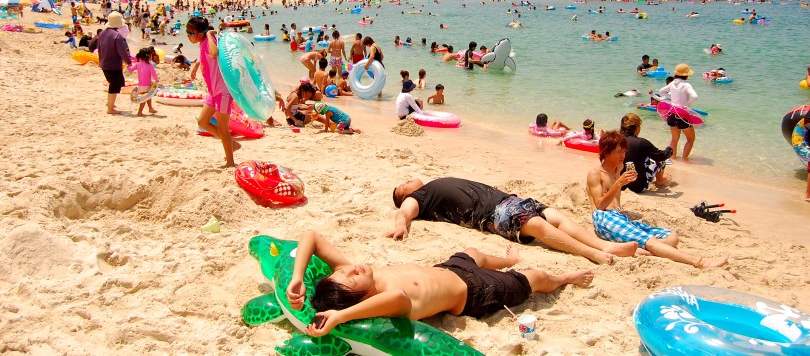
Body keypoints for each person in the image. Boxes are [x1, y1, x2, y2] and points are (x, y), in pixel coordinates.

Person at [286, 230, 593, 337]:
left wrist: (298, 278)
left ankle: (508, 260)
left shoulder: (352, 273)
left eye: (345, 270)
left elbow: (311, 236)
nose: (352, 268)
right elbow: (399, 300)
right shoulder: (388, 301)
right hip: (473, 293)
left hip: (450, 268)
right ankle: (565, 279)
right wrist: (340, 316)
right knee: (537, 278)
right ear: (360, 298)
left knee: (472, 253)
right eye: (352, 277)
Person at [389, 177, 638, 264]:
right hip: (493, 213)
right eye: (404, 183)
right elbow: (405, 212)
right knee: (539, 226)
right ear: (405, 194)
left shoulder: (429, 187)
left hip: (507, 200)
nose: (409, 179)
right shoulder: (420, 197)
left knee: (555, 216)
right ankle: (591, 253)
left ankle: (604, 245)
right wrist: (401, 223)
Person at [586, 131, 727, 268]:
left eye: (624, 151)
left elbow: (618, 190)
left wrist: (628, 181)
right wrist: (619, 184)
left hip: (619, 217)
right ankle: (699, 262)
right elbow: (599, 205)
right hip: (604, 217)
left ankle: (644, 251)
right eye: (618, 151)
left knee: (672, 237)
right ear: (606, 151)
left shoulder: (619, 168)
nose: (623, 155)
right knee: (651, 241)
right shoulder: (596, 173)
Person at [187, 16, 239, 167]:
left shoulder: (210, 40)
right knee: (203, 121)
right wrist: (197, 65)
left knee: (223, 128)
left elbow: (214, 53)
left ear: (200, 34)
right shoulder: (203, 43)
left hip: (222, 90)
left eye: (190, 33)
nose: (188, 35)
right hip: (213, 91)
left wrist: (210, 34)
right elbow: (207, 56)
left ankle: (230, 162)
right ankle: (232, 145)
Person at [619, 113, 672, 192]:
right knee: (662, 161)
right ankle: (660, 181)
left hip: (619, 184)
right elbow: (662, 156)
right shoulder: (641, 142)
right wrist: (670, 150)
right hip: (638, 186)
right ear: (636, 127)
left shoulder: (615, 140)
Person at [658, 63, 698, 159]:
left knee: (674, 139)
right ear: (686, 75)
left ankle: (673, 158)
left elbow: (661, 91)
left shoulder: (672, 83)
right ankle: (684, 160)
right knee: (691, 139)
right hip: (682, 114)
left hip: (672, 112)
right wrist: (687, 104)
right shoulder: (686, 84)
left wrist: (671, 98)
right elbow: (694, 96)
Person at [127, 47, 159, 116]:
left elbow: (130, 69)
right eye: (150, 55)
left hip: (141, 85)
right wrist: (157, 80)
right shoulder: (150, 65)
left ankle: (150, 108)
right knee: (144, 99)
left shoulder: (138, 64)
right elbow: (154, 74)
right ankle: (139, 112)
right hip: (146, 85)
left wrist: (129, 64)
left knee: (148, 96)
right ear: (148, 56)